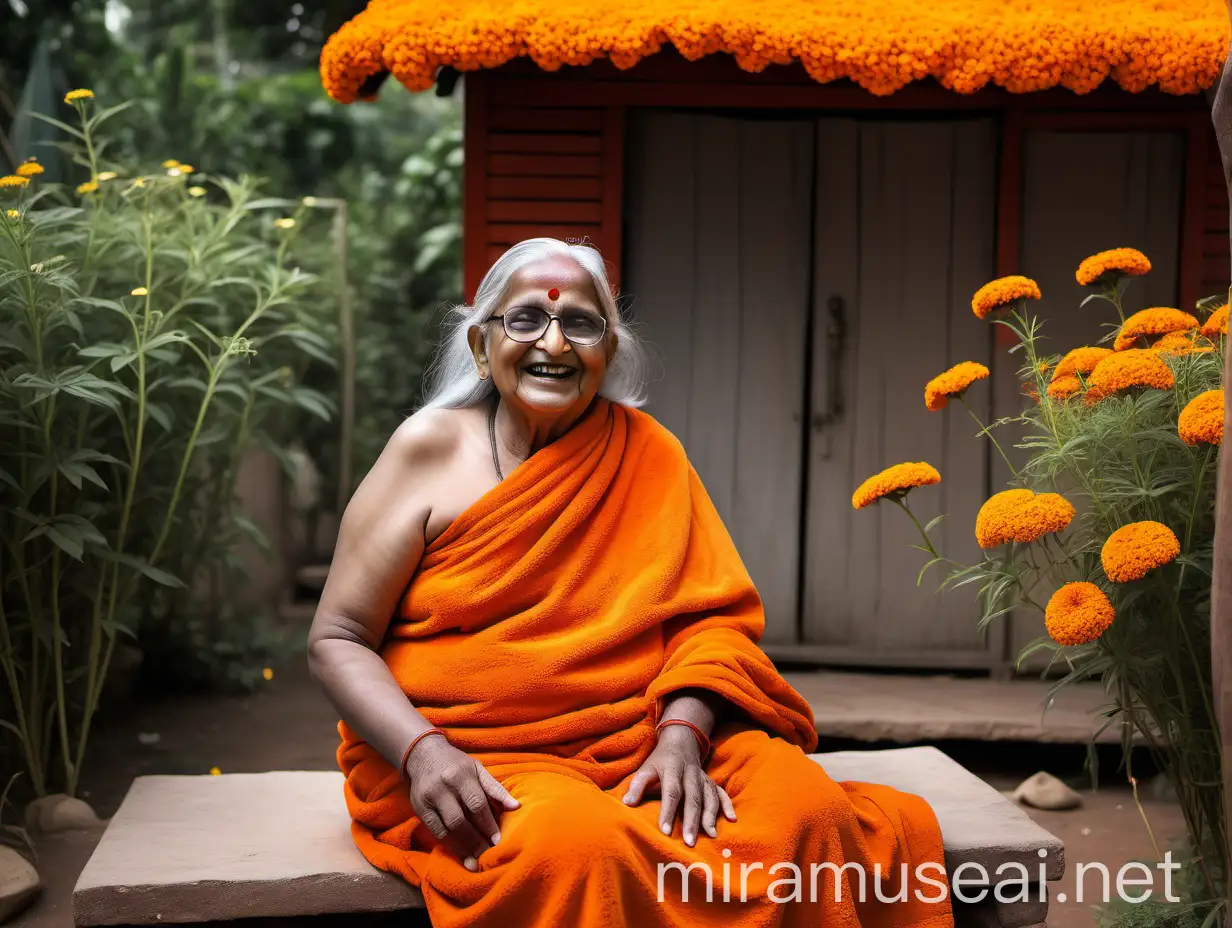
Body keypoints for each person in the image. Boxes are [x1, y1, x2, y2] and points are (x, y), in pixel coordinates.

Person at [307, 237, 954, 928]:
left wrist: (681, 735)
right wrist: (422, 754)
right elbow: (338, 638)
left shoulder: (649, 453)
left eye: (580, 324)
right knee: (573, 848)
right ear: (479, 344)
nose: (552, 341)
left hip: (643, 735)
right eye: (524, 319)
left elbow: (711, 629)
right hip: (472, 754)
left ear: (608, 351)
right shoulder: (426, 449)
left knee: (808, 810)